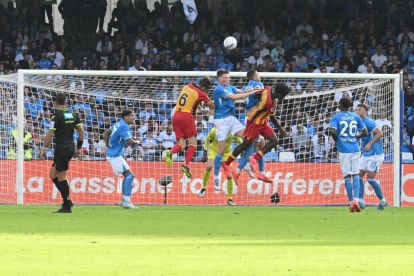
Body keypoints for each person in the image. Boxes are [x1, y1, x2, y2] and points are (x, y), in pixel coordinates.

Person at [222, 84, 290, 180]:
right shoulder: (270, 102)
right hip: (254, 123)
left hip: (263, 122)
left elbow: (257, 94)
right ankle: (227, 163)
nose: (284, 97)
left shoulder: (268, 89)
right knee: (245, 145)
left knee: (274, 141)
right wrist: (281, 129)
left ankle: (254, 158)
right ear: (279, 94)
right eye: (283, 95)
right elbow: (272, 118)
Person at [212, 69, 259, 191]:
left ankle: (245, 163)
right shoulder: (219, 89)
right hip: (221, 120)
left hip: (231, 119)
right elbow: (234, 97)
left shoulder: (230, 87)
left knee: (249, 138)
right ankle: (216, 177)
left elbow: (242, 91)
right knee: (221, 150)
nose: (227, 79)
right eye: (224, 78)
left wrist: (255, 90)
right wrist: (250, 92)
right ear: (219, 79)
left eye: (228, 77)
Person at [40, 93, 84, 213]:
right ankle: (67, 201)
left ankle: (67, 204)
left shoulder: (56, 116)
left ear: (55, 102)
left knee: (61, 176)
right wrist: (79, 147)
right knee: (52, 175)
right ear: (65, 102)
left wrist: (44, 149)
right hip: (70, 147)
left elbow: (50, 133)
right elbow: (81, 130)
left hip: (61, 148)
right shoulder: (73, 114)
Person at [165, 78, 215, 178]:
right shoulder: (202, 93)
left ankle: (170, 152)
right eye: (207, 90)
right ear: (204, 88)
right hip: (186, 117)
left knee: (182, 144)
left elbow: (191, 101)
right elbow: (212, 106)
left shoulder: (187, 86)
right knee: (193, 142)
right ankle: (185, 164)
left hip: (176, 116)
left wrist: (200, 108)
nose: (206, 92)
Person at [329, 98, 368, 212]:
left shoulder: (336, 117)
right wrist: (356, 138)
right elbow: (365, 132)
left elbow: (332, 131)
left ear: (340, 105)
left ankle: (351, 203)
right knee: (356, 175)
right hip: (355, 149)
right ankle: (356, 200)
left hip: (344, 150)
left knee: (347, 177)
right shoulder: (356, 116)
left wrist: (338, 141)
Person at [232, 69, 269, 185]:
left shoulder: (245, 87)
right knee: (252, 148)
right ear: (254, 76)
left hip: (248, 118)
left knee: (260, 145)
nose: (260, 75)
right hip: (255, 120)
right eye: (258, 73)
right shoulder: (258, 84)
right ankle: (240, 168)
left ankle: (259, 170)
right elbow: (263, 95)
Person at [104, 110, 141, 209]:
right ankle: (126, 201)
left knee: (127, 175)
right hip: (114, 155)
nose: (134, 117)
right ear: (126, 117)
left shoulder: (118, 123)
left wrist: (109, 145)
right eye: (132, 115)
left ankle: (124, 200)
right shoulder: (124, 126)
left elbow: (105, 134)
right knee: (129, 176)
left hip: (114, 154)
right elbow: (129, 141)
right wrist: (137, 142)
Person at [199, 128, 242, 206]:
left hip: (226, 154)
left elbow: (240, 141)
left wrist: (242, 151)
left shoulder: (232, 132)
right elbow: (207, 141)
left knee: (229, 176)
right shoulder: (214, 131)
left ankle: (230, 199)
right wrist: (205, 152)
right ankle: (203, 188)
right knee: (209, 166)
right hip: (214, 151)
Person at [356, 104, 387, 210]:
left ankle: (383, 201)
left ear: (365, 112)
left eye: (359, 110)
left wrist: (369, 144)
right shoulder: (358, 123)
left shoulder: (369, 122)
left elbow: (380, 133)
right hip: (365, 154)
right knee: (358, 176)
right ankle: (361, 201)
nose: (357, 111)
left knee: (370, 179)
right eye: (356, 110)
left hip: (375, 155)